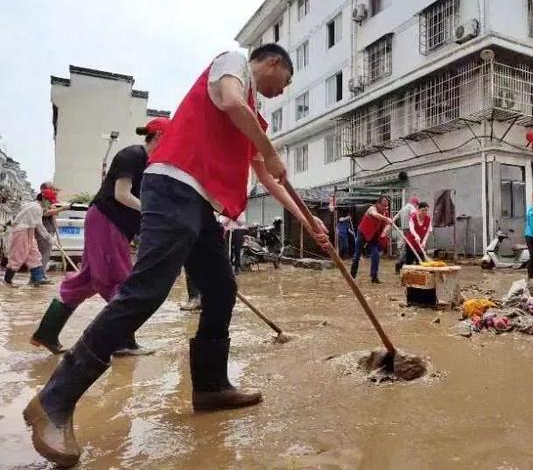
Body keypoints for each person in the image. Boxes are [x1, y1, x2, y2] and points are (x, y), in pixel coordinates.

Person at [23, 44, 329, 468]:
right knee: (146, 291)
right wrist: (272, 149)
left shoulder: (253, 117)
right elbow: (228, 100)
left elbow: (268, 176)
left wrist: (310, 221)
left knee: (221, 288)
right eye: (286, 82)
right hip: (172, 186)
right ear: (274, 64)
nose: (282, 91)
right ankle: (53, 401)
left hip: (200, 201)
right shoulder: (233, 62)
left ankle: (210, 386)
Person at [29, 119, 169, 356]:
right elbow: (121, 194)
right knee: (120, 279)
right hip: (107, 219)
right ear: (159, 136)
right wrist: (151, 210)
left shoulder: (148, 164)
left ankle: (46, 333)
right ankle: (122, 341)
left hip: (112, 224)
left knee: (88, 281)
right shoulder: (132, 155)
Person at [4, 193, 55, 287]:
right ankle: (7, 281)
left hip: (28, 230)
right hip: (21, 231)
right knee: (18, 255)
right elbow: (39, 225)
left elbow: (37, 225)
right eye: (50, 201)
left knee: (34, 254)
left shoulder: (34, 206)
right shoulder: (36, 208)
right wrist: (48, 237)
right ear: (43, 199)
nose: (50, 204)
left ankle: (38, 278)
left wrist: (48, 237)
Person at [350, 196, 393, 283]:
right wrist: (386, 219)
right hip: (363, 232)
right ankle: (352, 275)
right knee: (357, 254)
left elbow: (388, 225)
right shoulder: (372, 209)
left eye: (386, 206)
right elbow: (375, 215)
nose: (385, 208)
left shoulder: (385, 213)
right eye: (383, 206)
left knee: (376, 254)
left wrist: (385, 231)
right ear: (378, 204)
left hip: (374, 235)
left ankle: (374, 276)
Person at [36, 182, 72, 276]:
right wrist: (62, 208)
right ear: (43, 189)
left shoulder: (49, 200)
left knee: (46, 253)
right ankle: (39, 276)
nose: (53, 190)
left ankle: (40, 275)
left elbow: (53, 214)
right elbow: (45, 213)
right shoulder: (42, 199)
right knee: (43, 254)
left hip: (49, 229)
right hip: (43, 231)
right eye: (50, 188)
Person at [394, 196, 419, 273]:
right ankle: (401, 264)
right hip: (410, 229)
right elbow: (413, 216)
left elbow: (395, 217)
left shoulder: (403, 208)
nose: (417, 206)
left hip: (404, 229)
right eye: (416, 204)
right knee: (412, 247)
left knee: (406, 248)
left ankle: (400, 264)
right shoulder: (412, 208)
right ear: (414, 203)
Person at [403, 202, 432, 266]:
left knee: (421, 262)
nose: (424, 212)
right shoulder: (413, 218)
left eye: (426, 210)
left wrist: (424, 241)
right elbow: (412, 229)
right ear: (418, 210)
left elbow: (428, 231)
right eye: (423, 210)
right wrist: (416, 236)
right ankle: (404, 271)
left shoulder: (428, 219)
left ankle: (420, 275)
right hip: (411, 243)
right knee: (409, 261)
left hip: (420, 244)